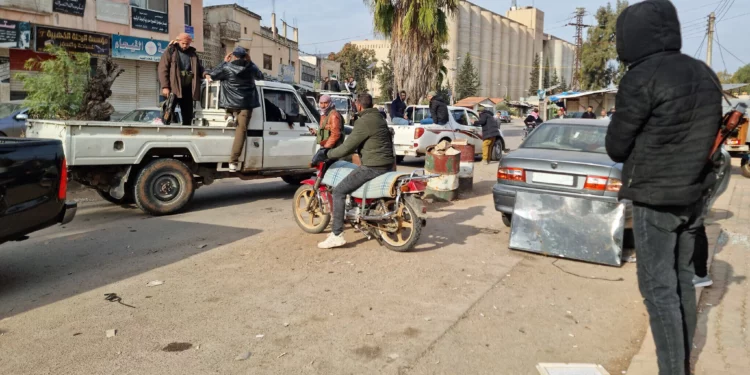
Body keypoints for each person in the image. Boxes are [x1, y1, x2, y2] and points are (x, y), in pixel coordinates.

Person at [604, 1, 722, 373]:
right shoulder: (704, 73)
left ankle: (673, 370)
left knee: (658, 292)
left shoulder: (641, 77)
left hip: (655, 198)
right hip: (694, 195)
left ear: (631, 36)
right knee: (682, 281)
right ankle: (681, 362)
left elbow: (616, 146)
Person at [317, 93, 395, 249]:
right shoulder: (379, 118)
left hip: (373, 166)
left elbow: (347, 146)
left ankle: (337, 234)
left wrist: (327, 154)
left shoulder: (362, 122)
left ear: (358, 105)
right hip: (387, 163)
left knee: (339, 191)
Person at [206, 47, 263, 172]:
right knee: (241, 132)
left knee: (224, 85)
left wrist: (224, 62)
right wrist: (251, 62)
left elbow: (212, 75)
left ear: (234, 56)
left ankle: (230, 114)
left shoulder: (227, 68)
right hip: (246, 105)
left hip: (230, 103)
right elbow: (261, 76)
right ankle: (233, 162)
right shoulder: (251, 68)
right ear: (245, 56)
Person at [158, 33, 210, 125]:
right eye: (183, 43)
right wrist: (165, 86)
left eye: (187, 44)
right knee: (168, 112)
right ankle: (164, 130)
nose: (185, 46)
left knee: (187, 115)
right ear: (178, 42)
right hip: (173, 89)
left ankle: (186, 134)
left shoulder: (193, 54)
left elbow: (199, 67)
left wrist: (205, 74)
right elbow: (163, 69)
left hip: (187, 89)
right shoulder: (171, 52)